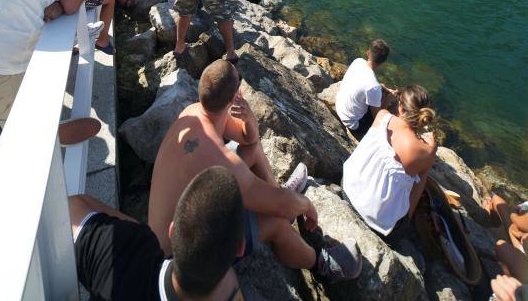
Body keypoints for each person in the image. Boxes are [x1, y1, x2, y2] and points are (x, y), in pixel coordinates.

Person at [149, 60, 362, 285]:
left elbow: (248, 139)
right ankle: (321, 265)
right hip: (181, 257)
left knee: (254, 150)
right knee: (276, 224)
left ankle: (278, 197)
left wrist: (249, 118)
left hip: (191, 214)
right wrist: (306, 205)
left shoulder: (195, 113)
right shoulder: (220, 158)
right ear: (233, 98)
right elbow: (230, 166)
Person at [71, 166, 253, 301]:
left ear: (172, 231)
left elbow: (71, 207)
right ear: (240, 248)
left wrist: (134, 234)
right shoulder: (231, 288)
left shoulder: (122, 251)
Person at [342, 84, 437, 236]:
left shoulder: (383, 117)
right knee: (422, 175)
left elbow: (384, 115)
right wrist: (432, 148)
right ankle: (407, 218)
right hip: (378, 223)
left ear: (400, 107)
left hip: (347, 188)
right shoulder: (427, 152)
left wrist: (385, 100)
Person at [336, 39, 391, 139]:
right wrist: (389, 99)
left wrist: (380, 87)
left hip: (339, 107)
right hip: (353, 123)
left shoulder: (358, 61)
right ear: (384, 62)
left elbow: (363, 83)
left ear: (368, 52)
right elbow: (377, 118)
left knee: (377, 93)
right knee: (387, 116)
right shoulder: (373, 86)